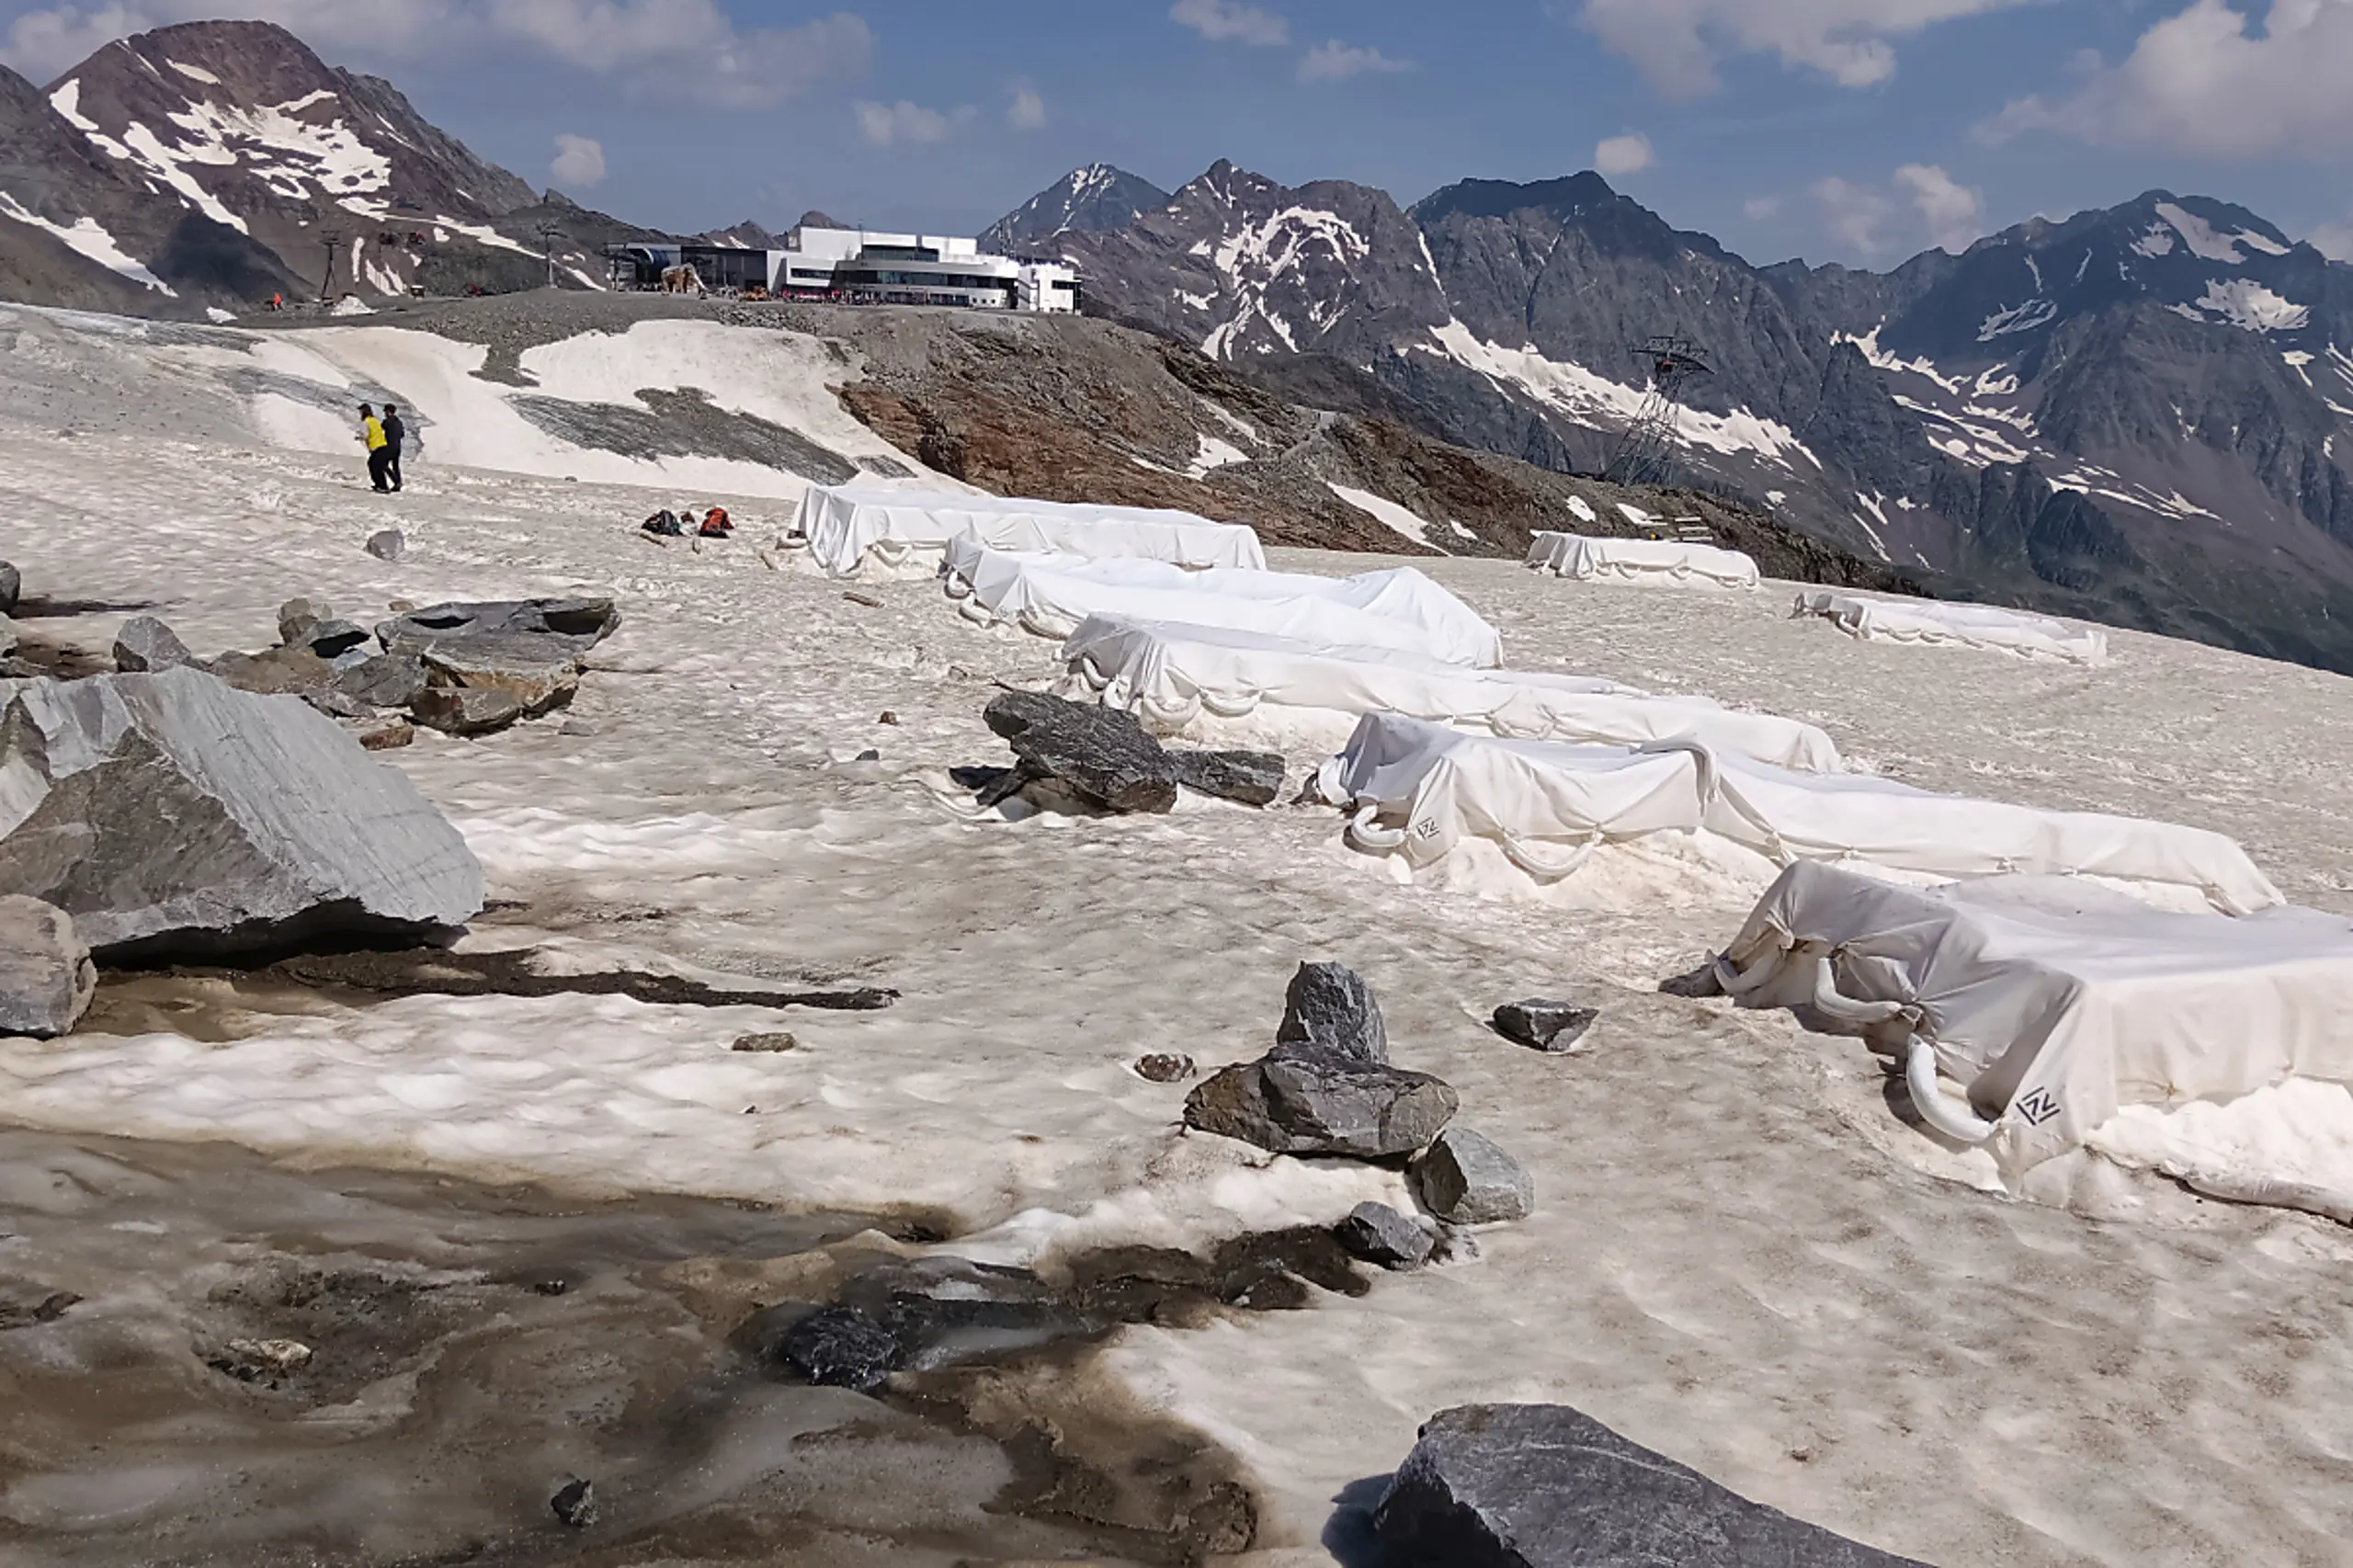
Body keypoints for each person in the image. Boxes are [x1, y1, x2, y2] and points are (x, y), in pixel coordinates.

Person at [358, 403, 390, 492]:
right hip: (382, 444)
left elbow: (365, 435)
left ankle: (382, 486)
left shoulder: (366, 422)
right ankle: (380, 485)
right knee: (375, 465)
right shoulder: (374, 420)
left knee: (374, 465)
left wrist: (359, 437)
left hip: (375, 446)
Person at [381, 403, 406, 493]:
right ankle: (398, 483)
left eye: (385, 411)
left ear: (388, 412)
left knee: (383, 464)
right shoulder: (399, 422)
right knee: (395, 466)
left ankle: (396, 481)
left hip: (389, 447)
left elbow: (380, 429)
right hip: (397, 447)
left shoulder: (387, 422)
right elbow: (402, 434)